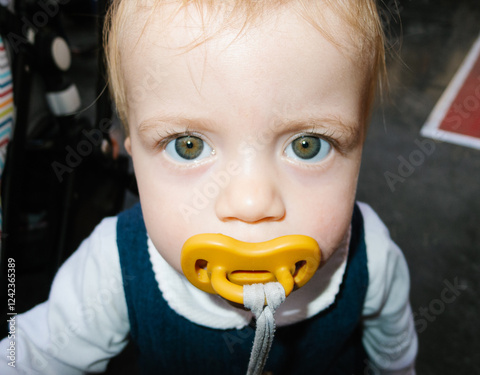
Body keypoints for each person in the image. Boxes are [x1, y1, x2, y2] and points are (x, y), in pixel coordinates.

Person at [1, 0, 418, 374]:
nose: (252, 202)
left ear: (359, 147)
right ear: (134, 156)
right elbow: (32, 356)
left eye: (308, 146)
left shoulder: (371, 256)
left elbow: (394, 354)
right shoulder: (114, 267)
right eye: (189, 145)